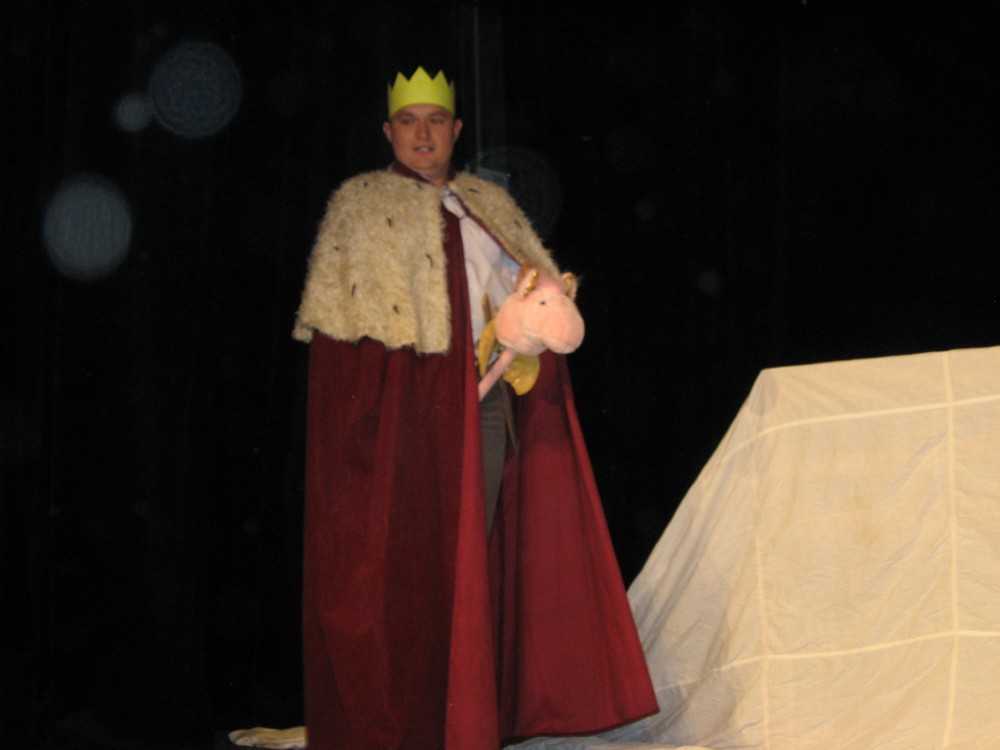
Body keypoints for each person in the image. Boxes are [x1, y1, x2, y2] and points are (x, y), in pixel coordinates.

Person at [293, 66, 657, 750]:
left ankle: (468, 714)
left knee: (471, 556)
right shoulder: (361, 208)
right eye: (409, 122)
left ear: (456, 129)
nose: (423, 134)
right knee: (409, 564)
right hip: (407, 415)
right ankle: (413, 716)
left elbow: (530, 289)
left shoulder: (488, 204)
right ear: (388, 132)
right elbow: (347, 344)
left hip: (486, 406)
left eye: (436, 121)